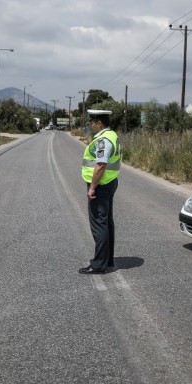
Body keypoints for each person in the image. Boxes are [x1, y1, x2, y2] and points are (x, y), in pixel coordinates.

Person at [79, 109, 121, 274]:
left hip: (101, 185)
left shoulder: (103, 140)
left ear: (99, 123)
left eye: (91, 122)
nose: (90, 125)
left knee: (99, 224)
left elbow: (101, 165)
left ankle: (99, 265)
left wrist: (93, 187)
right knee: (107, 223)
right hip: (110, 182)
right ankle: (107, 259)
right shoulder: (112, 135)